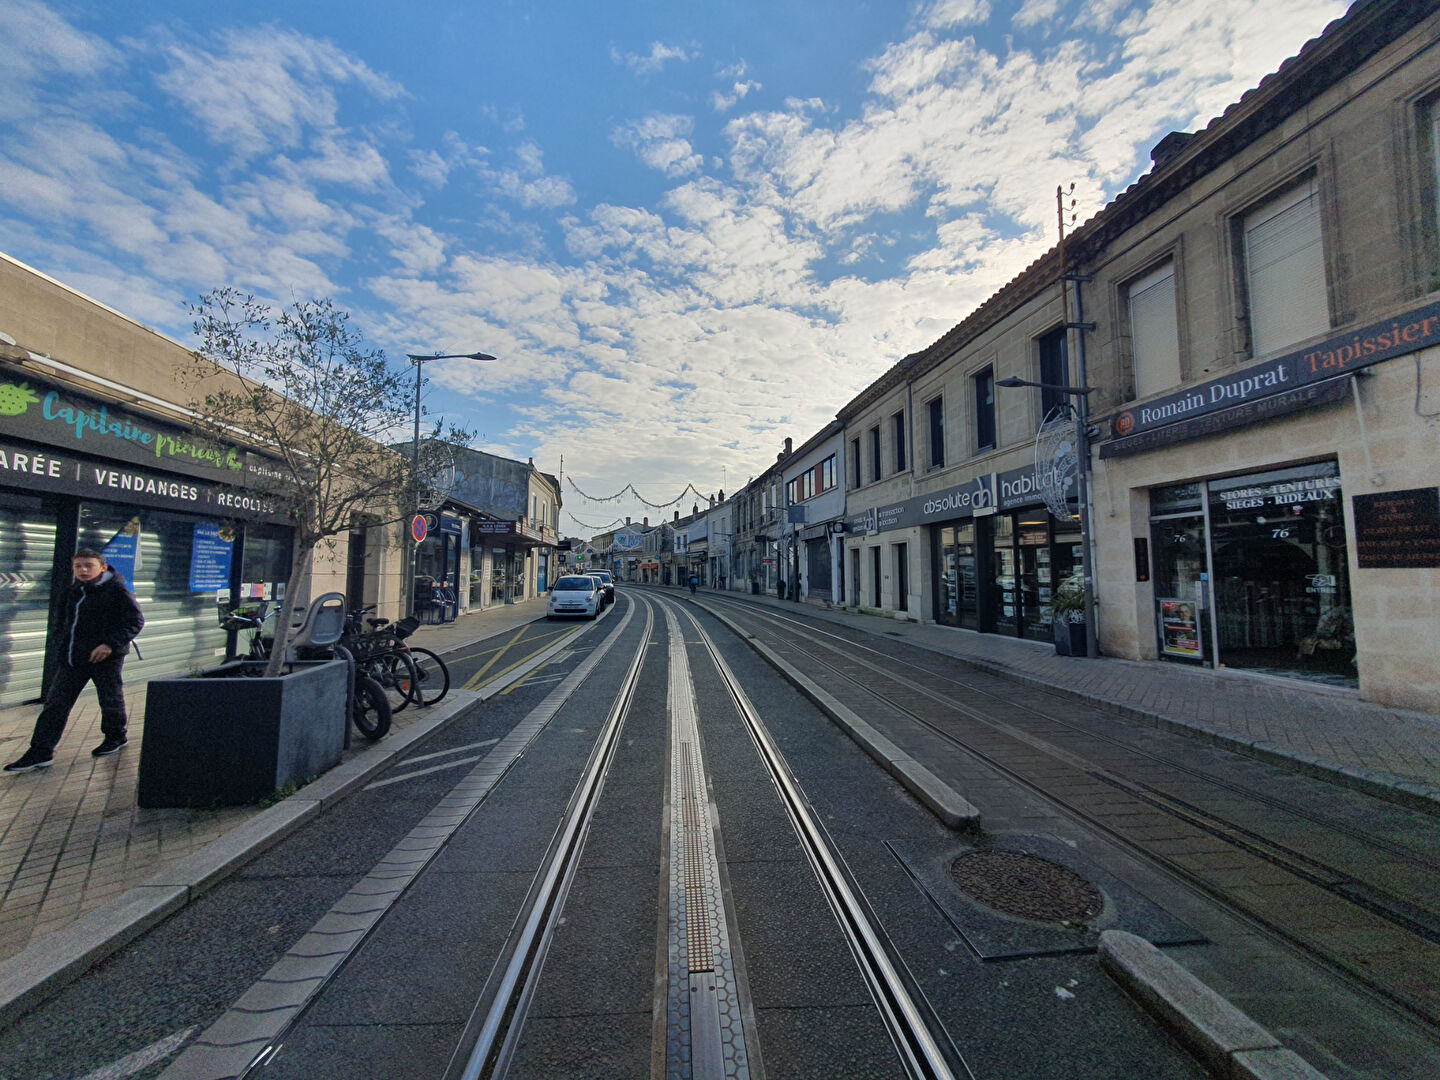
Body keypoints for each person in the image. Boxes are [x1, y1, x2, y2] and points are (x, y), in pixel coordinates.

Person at [4, 549, 145, 773]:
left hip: (105, 658)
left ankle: (116, 736)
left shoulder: (117, 590)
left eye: (89, 565)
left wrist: (109, 644)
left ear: (103, 567)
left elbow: (135, 621)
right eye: (78, 566)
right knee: (55, 704)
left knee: (110, 699)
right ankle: (40, 752)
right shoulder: (73, 591)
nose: (83, 570)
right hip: (73, 658)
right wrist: (60, 645)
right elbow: (61, 622)